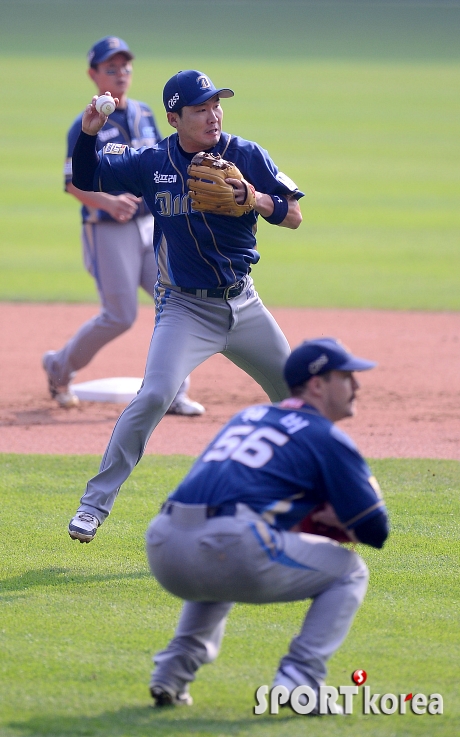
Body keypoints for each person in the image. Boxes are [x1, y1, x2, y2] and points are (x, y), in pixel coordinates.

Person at [67, 68, 304, 544]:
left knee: (298, 400)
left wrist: (252, 197)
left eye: (217, 104)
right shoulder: (153, 162)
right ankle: (93, 506)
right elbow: (89, 175)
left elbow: (293, 214)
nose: (213, 114)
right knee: (155, 395)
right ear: (174, 118)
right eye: (200, 108)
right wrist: (89, 134)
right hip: (184, 309)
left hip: (244, 303)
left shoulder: (246, 154)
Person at [145, 337, 389, 709]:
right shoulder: (325, 435)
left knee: (219, 570)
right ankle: (299, 680)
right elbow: (375, 528)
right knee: (350, 572)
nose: (356, 386)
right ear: (317, 384)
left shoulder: (249, 415)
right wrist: (332, 519)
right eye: (346, 376)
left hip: (163, 543)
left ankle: (170, 675)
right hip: (228, 543)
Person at [42, 36, 204, 417]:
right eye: (110, 68)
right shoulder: (86, 124)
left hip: (151, 227)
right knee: (119, 315)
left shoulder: (146, 114)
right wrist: (109, 201)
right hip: (106, 230)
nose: (120, 74)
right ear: (93, 74)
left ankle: (175, 392)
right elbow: (72, 182)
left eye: (125, 67)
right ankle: (58, 367)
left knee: (177, 302)